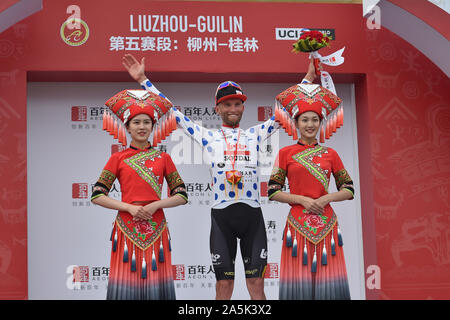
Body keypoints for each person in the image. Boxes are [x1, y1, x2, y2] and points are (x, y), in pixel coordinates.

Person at [122, 53, 316, 300]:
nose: (232, 109)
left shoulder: (255, 134)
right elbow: (171, 112)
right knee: (224, 287)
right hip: (221, 218)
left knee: (256, 284)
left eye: (237, 104)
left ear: (243, 107)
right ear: (218, 108)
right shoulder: (207, 136)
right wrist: (143, 80)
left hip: (252, 216)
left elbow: (287, 109)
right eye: (227, 104)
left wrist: (308, 79)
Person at [91, 89, 188, 300]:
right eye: (136, 122)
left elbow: (181, 195)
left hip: (157, 226)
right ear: (127, 127)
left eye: (146, 122)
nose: (142, 127)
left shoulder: (164, 158)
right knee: (126, 279)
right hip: (126, 228)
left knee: (156, 280)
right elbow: (97, 194)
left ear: (153, 126)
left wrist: (156, 205)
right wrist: (128, 207)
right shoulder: (118, 158)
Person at [268, 81, 354, 299]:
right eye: (305, 119)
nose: (310, 124)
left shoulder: (331, 154)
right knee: (299, 281)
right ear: (296, 123)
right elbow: (273, 191)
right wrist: (302, 200)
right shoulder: (285, 153)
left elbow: (349, 189)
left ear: (321, 123)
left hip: (326, 223)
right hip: (297, 224)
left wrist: (326, 199)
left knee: (329, 281)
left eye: (315, 120)